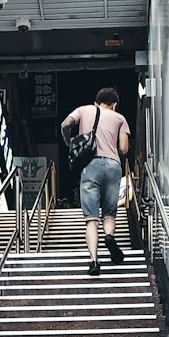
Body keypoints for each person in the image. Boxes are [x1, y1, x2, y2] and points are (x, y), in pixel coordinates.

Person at [61, 87, 130, 275]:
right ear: (114, 104)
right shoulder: (120, 118)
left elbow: (65, 124)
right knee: (109, 213)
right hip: (113, 166)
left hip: (89, 166)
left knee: (91, 219)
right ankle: (109, 236)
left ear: (96, 102)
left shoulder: (84, 110)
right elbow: (124, 148)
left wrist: (70, 142)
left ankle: (94, 262)